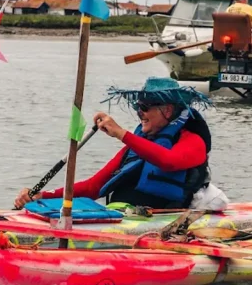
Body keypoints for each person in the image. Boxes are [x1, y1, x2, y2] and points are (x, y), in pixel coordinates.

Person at [14, 77, 228, 211]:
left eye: (145, 107)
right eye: (137, 107)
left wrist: (120, 133)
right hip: (120, 215)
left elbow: (168, 162)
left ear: (168, 110)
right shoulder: (139, 144)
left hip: (159, 220)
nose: (139, 113)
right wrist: (43, 195)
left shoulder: (192, 140)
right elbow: (94, 187)